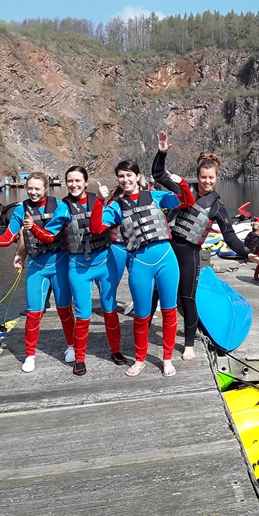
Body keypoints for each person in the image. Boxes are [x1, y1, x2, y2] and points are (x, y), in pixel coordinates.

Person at [151, 132, 259, 360]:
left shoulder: (217, 208)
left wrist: (248, 254)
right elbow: (157, 174)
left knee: (187, 298)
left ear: (216, 178)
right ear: (197, 176)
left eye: (211, 178)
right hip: (168, 249)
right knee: (156, 290)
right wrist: (162, 152)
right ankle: (146, 330)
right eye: (203, 177)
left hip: (190, 254)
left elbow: (230, 237)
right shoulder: (182, 190)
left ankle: (189, 344)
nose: (207, 181)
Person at [90, 159, 194, 377]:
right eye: (121, 176)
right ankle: (140, 359)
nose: (125, 179)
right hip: (139, 263)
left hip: (166, 259)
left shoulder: (155, 196)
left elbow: (187, 202)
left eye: (129, 175)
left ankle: (166, 359)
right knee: (141, 316)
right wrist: (100, 201)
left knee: (169, 312)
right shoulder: (116, 206)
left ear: (137, 176)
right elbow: (97, 227)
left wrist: (181, 183)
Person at [0, 172, 75, 373]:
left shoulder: (60, 207)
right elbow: (8, 239)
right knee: (34, 313)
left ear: (46, 189)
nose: (33, 192)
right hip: (37, 266)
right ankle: (30, 355)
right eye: (30, 189)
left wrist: (32, 228)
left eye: (37, 188)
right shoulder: (19, 210)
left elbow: (50, 237)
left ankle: (71, 346)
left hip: (59, 263)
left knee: (64, 309)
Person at [24, 166, 125, 376]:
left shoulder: (100, 200)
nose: (74, 184)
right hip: (78, 266)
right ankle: (80, 358)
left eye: (78, 180)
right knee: (83, 314)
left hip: (105, 262)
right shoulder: (63, 207)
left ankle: (115, 350)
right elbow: (49, 236)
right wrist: (33, 228)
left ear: (86, 182)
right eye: (69, 181)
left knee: (109, 309)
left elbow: (119, 219)